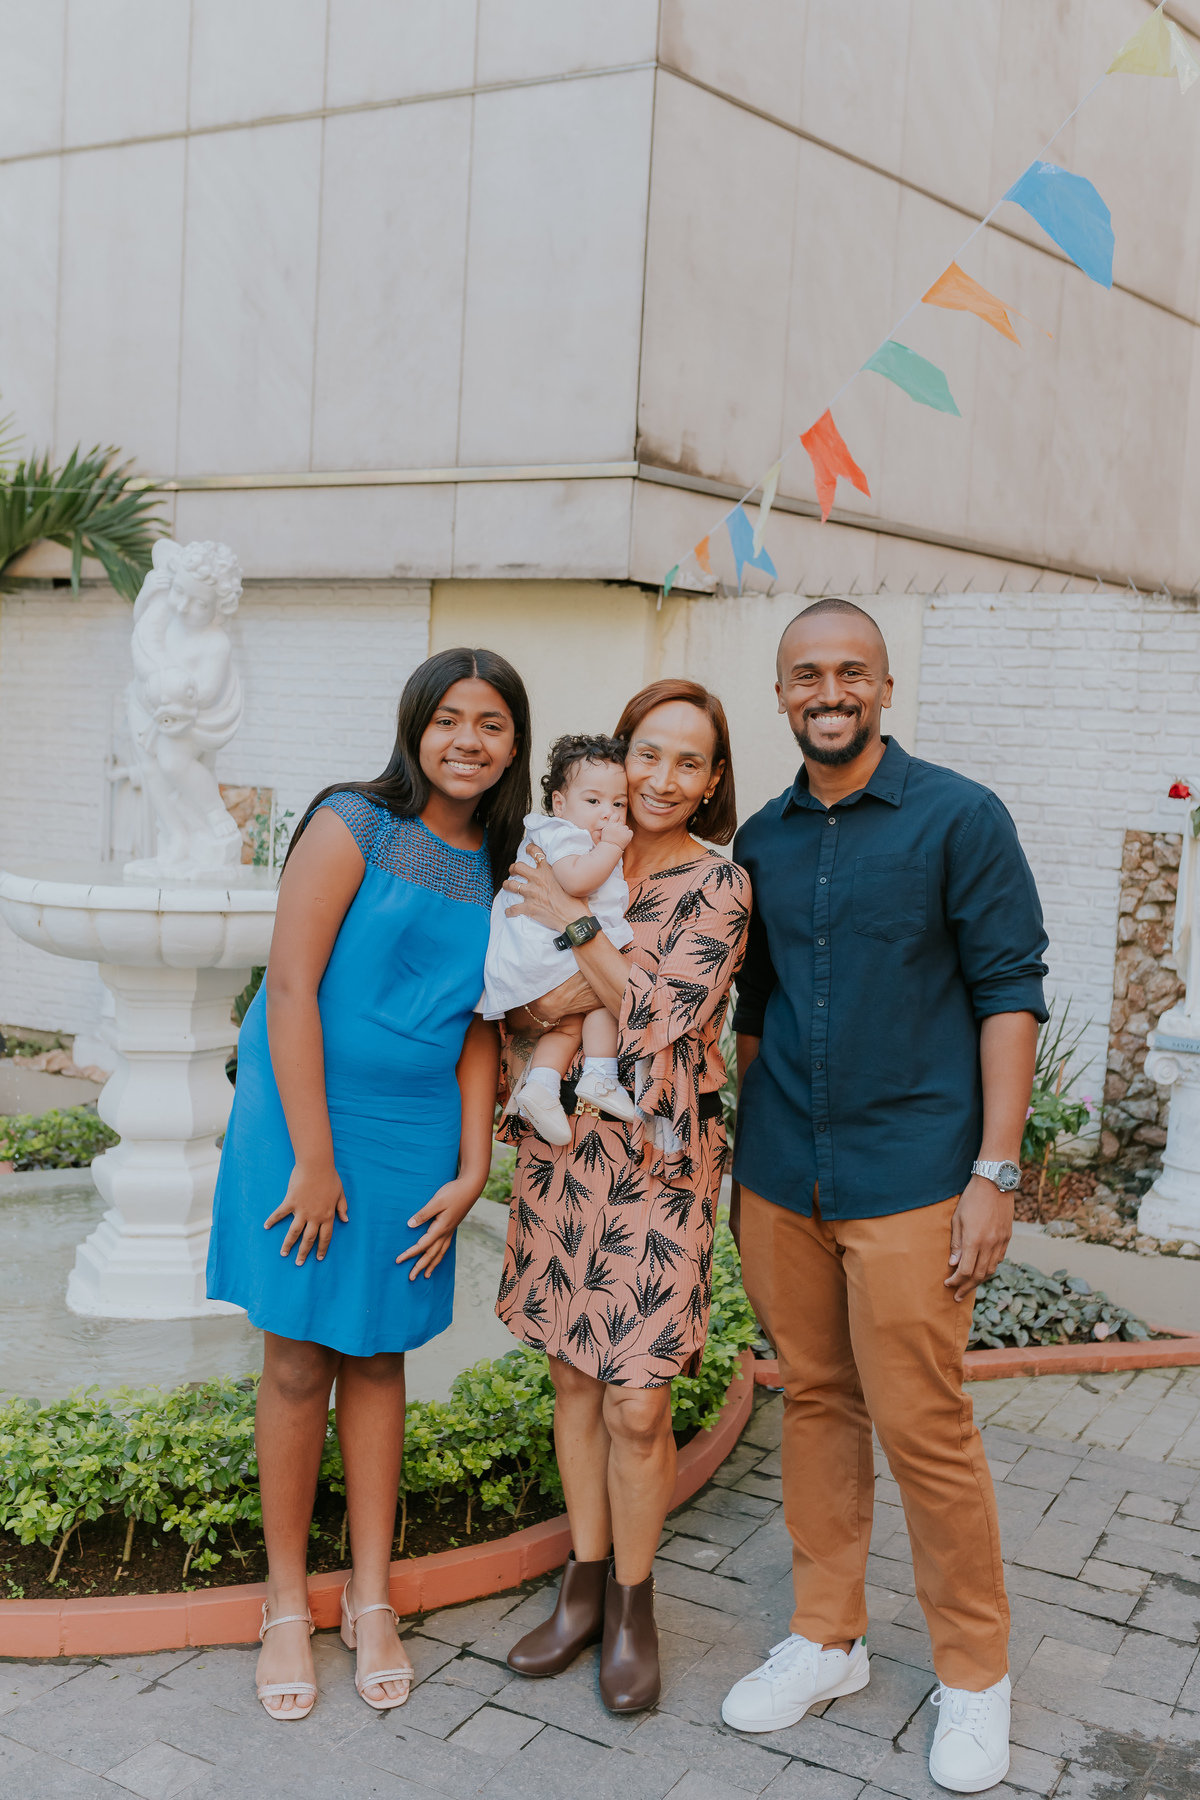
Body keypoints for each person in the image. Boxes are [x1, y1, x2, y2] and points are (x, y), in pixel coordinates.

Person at [719, 600, 1047, 1793]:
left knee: (926, 1425)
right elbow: (755, 1017)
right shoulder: (761, 837)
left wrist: (993, 1175)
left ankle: (975, 1675)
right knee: (814, 1400)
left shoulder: (960, 818)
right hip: (783, 1177)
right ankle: (827, 1637)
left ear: (886, 687)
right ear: (781, 692)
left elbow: (1010, 991)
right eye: (807, 673)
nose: (829, 689)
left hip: (913, 1175)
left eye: (850, 670)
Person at [206, 647, 531, 1723]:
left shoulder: (508, 857)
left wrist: (476, 1161)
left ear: (514, 743)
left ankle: (376, 1600)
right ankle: (288, 1602)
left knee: (380, 1355)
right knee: (299, 1357)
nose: (467, 741)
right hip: (304, 1117)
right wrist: (311, 1157)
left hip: (414, 1131)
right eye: (448, 719)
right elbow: (290, 985)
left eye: (490, 723)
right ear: (414, 727)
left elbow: (485, 1022)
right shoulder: (355, 821)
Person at [495, 680, 750, 1714]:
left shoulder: (721, 886)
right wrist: (577, 963)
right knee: (570, 1379)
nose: (662, 777)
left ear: (713, 780)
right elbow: (523, 999)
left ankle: (636, 1603)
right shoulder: (562, 844)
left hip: (656, 1162)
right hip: (564, 1154)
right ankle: (582, 1585)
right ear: (623, 751)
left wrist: (569, 931)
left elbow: (656, 1013)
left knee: (638, 1404)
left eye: (690, 761)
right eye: (650, 752)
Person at [484, 733, 639, 1143]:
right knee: (603, 995)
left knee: (571, 1024)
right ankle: (601, 1076)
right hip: (544, 949)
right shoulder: (564, 835)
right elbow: (575, 880)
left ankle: (542, 1086)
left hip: (544, 950)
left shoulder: (572, 832)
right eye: (594, 801)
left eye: (618, 804)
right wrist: (613, 846)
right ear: (558, 802)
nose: (607, 813)